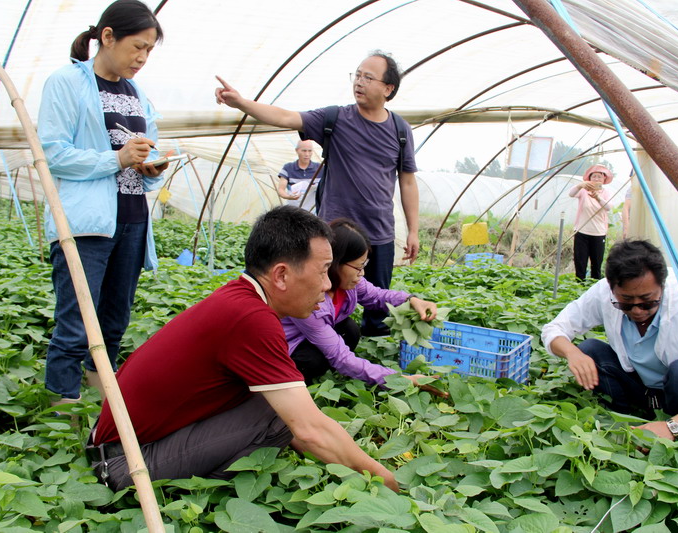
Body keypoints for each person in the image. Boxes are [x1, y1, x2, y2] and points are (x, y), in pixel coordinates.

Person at [88, 206, 399, 492]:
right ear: (281, 275)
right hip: (126, 461)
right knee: (279, 413)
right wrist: (384, 481)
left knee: (280, 402)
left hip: (121, 444)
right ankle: (200, 492)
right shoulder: (251, 319)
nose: (327, 285)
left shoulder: (240, 299)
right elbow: (309, 429)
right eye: (322, 271)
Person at [215, 50, 420, 337]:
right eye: (357, 75)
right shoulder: (335, 118)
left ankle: (372, 360)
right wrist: (241, 103)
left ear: (388, 88)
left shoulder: (400, 130)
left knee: (377, 309)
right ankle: (325, 350)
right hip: (335, 234)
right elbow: (286, 117)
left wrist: (413, 230)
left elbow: (407, 181)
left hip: (380, 231)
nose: (359, 82)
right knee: (323, 300)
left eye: (368, 77)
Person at [38, 0, 167, 406]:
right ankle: (62, 409)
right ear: (107, 37)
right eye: (137, 47)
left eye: (149, 50)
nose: (142, 58)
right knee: (76, 323)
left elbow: (147, 149)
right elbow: (52, 153)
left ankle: (100, 400)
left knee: (114, 320)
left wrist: (152, 165)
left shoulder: (137, 94)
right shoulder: (67, 83)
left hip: (131, 220)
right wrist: (115, 158)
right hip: (86, 223)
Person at [541, 239, 678, 439]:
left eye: (648, 302)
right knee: (589, 350)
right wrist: (572, 353)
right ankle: (624, 417)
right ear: (612, 288)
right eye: (626, 302)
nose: (637, 310)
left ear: (662, 287)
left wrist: (672, 427)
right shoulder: (604, 292)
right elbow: (554, 329)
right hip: (643, 390)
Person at [283, 218, 446, 395]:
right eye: (358, 267)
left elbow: (377, 296)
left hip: (316, 334)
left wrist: (411, 300)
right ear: (334, 263)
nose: (362, 273)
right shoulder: (311, 300)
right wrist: (398, 379)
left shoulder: (351, 282)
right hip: (289, 346)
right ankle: (295, 385)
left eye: (364, 265)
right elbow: (341, 358)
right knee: (313, 360)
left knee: (350, 330)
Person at [569, 164, 614, 280]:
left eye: (599, 177)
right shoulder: (583, 191)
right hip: (582, 231)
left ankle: (595, 286)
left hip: (598, 233)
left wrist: (598, 198)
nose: (596, 179)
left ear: (604, 179)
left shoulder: (605, 193)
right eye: (594, 176)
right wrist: (580, 185)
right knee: (580, 263)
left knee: (596, 264)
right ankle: (579, 285)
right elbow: (571, 194)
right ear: (589, 179)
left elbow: (608, 207)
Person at [276, 140, 320, 212]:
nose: (307, 154)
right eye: (304, 151)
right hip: (294, 210)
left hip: (314, 212)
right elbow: (281, 189)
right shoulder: (288, 168)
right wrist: (289, 196)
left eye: (310, 151)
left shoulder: (320, 168)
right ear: (297, 151)